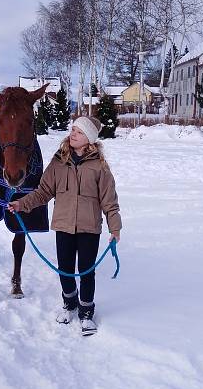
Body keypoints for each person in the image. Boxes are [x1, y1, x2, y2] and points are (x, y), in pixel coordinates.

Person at [8, 116, 122, 336]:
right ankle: (70, 304)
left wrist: (114, 228)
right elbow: (43, 192)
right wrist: (22, 204)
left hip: (89, 227)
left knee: (86, 271)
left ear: (89, 139)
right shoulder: (58, 162)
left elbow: (110, 201)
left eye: (78, 132)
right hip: (63, 225)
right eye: (72, 130)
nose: (72, 134)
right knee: (65, 270)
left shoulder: (99, 166)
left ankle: (87, 312)